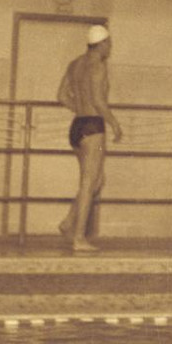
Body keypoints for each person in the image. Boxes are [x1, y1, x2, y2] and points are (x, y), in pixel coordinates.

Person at [56, 23, 123, 254]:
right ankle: (78, 238)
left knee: (96, 181)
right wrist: (114, 123)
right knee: (88, 183)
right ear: (102, 43)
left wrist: (79, 110)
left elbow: (61, 95)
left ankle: (68, 223)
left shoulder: (75, 64)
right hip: (93, 127)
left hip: (77, 127)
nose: (110, 48)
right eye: (109, 44)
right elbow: (98, 100)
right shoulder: (98, 66)